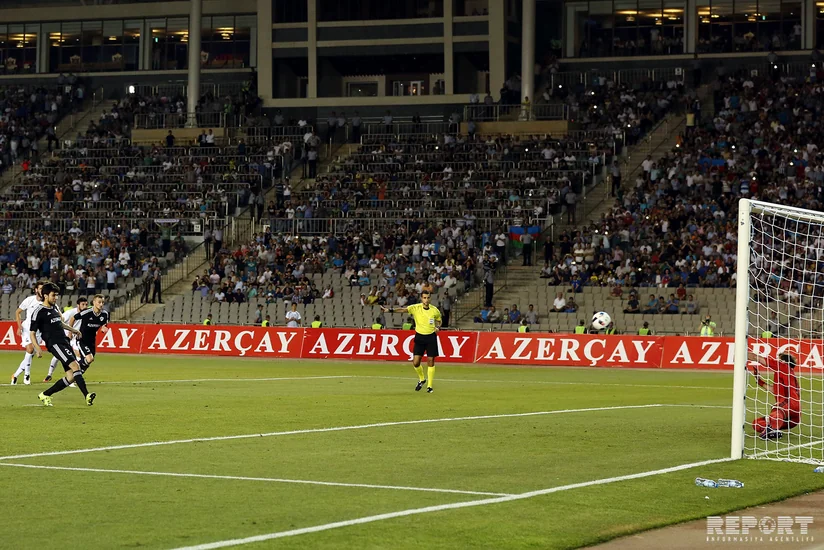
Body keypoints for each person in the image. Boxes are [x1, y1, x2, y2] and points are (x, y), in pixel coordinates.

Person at [34, 283, 94, 407]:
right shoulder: (39, 311)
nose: (56, 298)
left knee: (71, 376)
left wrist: (74, 330)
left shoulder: (54, 308)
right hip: (55, 344)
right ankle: (87, 395)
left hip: (64, 342)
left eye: (56, 295)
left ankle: (45, 394)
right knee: (76, 366)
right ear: (45, 296)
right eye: (53, 295)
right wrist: (37, 347)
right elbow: (32, 332)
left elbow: (60, 323)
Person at [381, 290, 441, 393]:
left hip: (431, 337)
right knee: (416, 362)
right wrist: (389, 310)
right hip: (419, 337)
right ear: (421, 298)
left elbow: (439, 321)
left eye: (428, 298)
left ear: (430, 298)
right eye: (424, 298)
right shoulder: (415, 308)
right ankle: (422, 379)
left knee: (431, 361)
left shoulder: (435, 310)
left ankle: (429, 386)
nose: (426, 300)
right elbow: (402, 310)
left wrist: (437, 327)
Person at [749, 352, 800, 440]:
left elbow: (757, 358)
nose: (777, 360)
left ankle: (774, 430)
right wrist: (759, 381)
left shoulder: (783, 366)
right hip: (793, 419)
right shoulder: (787, 375)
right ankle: (773, 428)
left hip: (788, 404)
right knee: (756, 424)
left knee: (777, 407)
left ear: (783, 361)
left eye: (779, 359)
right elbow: (774, 390)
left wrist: (740, 354)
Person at [45, 296, 88, 382]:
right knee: (57, 356)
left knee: (78, 355)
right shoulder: (71, 312)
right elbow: (60, 321)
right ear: (78, 305)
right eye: (83, 304)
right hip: (65, 336)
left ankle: (74, 375)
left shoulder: (85, 314)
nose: (85, 306)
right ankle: (49, 374)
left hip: (74, 338)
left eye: (86, 304)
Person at [12, 281, 45, 385]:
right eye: (40, 288)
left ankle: (15, 375)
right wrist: (19, 326)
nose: (42, 291)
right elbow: (18, 312)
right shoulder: (29, 300)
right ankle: (27, 375)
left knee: (29, 355)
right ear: (36, 290)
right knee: (30, 348)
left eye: (43, 289)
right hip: (27, 328)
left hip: (38, 331)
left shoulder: (46, 303)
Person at [72, 294, 110, 375]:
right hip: (82, 340)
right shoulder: (87, 312)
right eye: (99, 302)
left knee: (88, 361)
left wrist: (104, 328)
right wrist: (71, 332)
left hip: (92, 341)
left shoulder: (104, 314)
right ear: (94, 302)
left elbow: (104, 324)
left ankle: (77, 373)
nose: (101, 304)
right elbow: (73, 318)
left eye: (102, 302)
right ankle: (74, 371)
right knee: (89, 359)